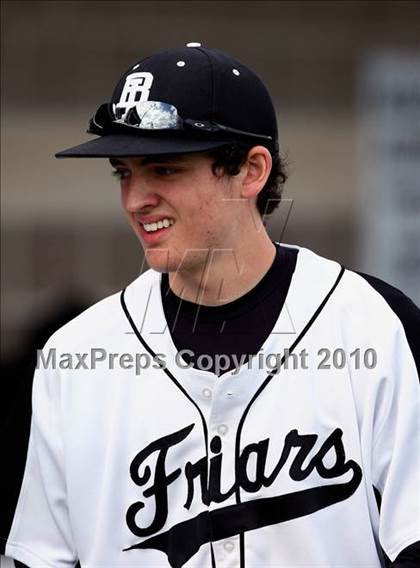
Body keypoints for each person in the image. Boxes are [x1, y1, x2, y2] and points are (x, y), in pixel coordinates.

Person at [1, 43, 419, 568]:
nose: (135, 200)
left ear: (250, 171)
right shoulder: (76, 355)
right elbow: (40, 557)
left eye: (164, 170)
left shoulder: (373, 325)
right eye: (123, 172)